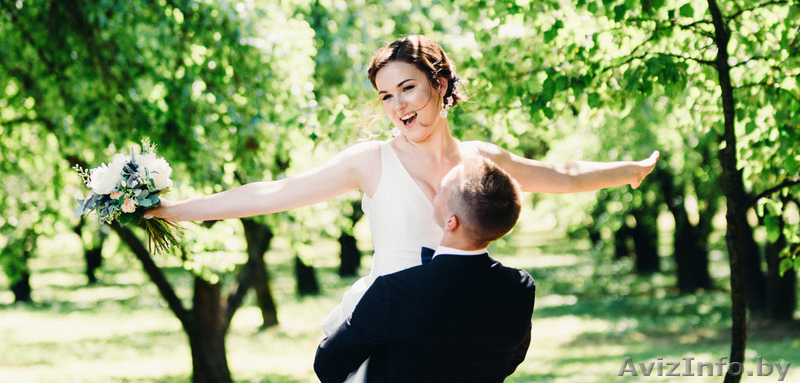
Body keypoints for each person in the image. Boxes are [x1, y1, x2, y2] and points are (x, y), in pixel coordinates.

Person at [148, 34, 659, 382]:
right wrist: (175, 210)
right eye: (385, 96)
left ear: (439, 83)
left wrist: (628, 170)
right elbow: (272, 193)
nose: (397, 107)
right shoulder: (371, 161)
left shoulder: (481, 159)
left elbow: (559, 175)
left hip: (460, 332)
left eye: (407, 88)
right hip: (389, 329)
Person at [314, 156, 536, 383]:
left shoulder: (393, 292)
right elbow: (513, 357)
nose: (434, 190)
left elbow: (328, 365)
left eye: (441, 189)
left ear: (451, 221)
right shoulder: (520, 287)